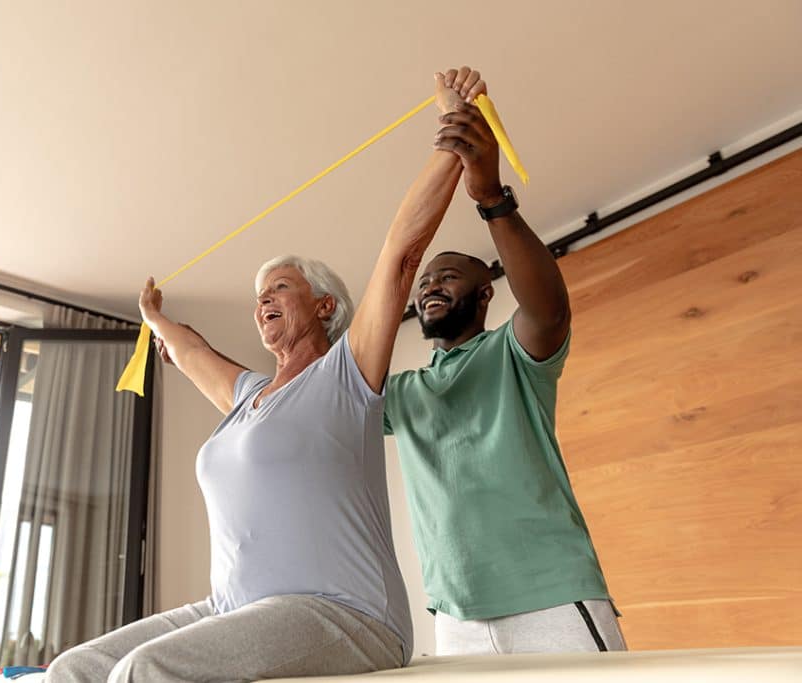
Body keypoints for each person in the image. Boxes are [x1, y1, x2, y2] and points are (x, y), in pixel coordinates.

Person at [45, 67, 483, 682]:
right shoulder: (249, 396)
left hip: (347, 613)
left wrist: (452, 136)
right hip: (235, 608)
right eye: (257, 296)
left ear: (325, 305)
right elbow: (193, 354)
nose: (262, 301)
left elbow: (400, 255)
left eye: (279, 287)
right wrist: (154, 319)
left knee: (143, 673)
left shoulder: (345, 374)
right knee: (75, 669)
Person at [384, 68, 626, 655]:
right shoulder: (402, 392)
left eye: (449, 274)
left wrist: (490, 197)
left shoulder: (512, 353)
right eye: (424, 280)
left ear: (486, 291)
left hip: (554, 598)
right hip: (455, 620)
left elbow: (549, 311)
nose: (430, 284)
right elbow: (321, 398)